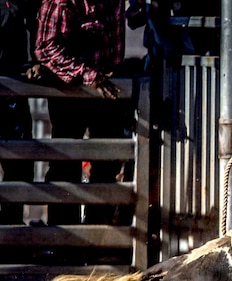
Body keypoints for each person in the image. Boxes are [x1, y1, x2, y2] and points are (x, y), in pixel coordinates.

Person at [35, 0, 133, 226]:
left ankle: (98, 235)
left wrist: (106, 75)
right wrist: (88, 75)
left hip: (104, 87)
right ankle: (64, 239)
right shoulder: (60, 2)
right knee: (64, 164)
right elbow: (46, 46)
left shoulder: (113, 3)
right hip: (70, 90)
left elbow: (115, 51)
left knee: (107, 162)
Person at [0, 0, 38, 225]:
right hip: (9, 87)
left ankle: (11, 230)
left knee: (21, 164)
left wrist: (36, 61)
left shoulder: (22, 3)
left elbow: (37, 27)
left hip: (14, 90)